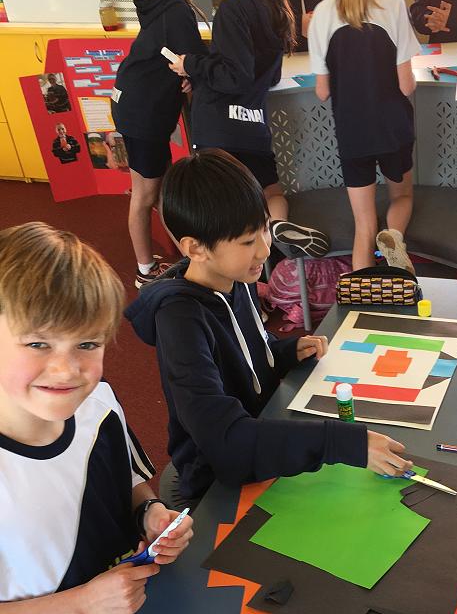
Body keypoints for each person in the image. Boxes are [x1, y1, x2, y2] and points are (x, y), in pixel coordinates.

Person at [125, 150, 411, 508]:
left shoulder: (236, 277)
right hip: (217, 482)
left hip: (265, 433)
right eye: (247, 241)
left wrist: (283, 351)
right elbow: (225, 441)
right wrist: (342, 442)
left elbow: (243, 354)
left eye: (263, 229)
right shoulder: (179, 320)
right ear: (195, 248)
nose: (264, 250)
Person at [0, 222, 194, 614]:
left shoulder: (99, 403)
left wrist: (151, 512)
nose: (67, 369)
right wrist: (83, 604)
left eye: (87, 343)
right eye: (38, 343)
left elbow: (128, 479)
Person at [169, 0, 330, 258]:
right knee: (272, 191)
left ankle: (239, 263)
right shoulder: (275, 7)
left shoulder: (233, 7)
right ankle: (276, 225)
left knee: (224, 208)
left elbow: (235, 75)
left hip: (219, 126)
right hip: (253, 123)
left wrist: (191, 65)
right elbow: (268, 76)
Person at [308, 0, 421, 271]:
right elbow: (406, 86)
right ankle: (394, 237)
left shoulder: (322, 13)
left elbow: (322, 92)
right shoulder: (393, 3)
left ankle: (360, 296)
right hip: (393, 129)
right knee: (402, 197)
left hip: (352, 133)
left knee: (363, 225)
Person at [112, 0, 210, 288]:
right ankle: (145, 271)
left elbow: (179, 59)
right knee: (146, 194)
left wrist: (186, 73)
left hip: (136, 103)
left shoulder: (169, 4)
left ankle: (189, 259)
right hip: (142, 111)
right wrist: (191, 73)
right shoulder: (176, 10)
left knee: (161, 191)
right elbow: (197, 62)